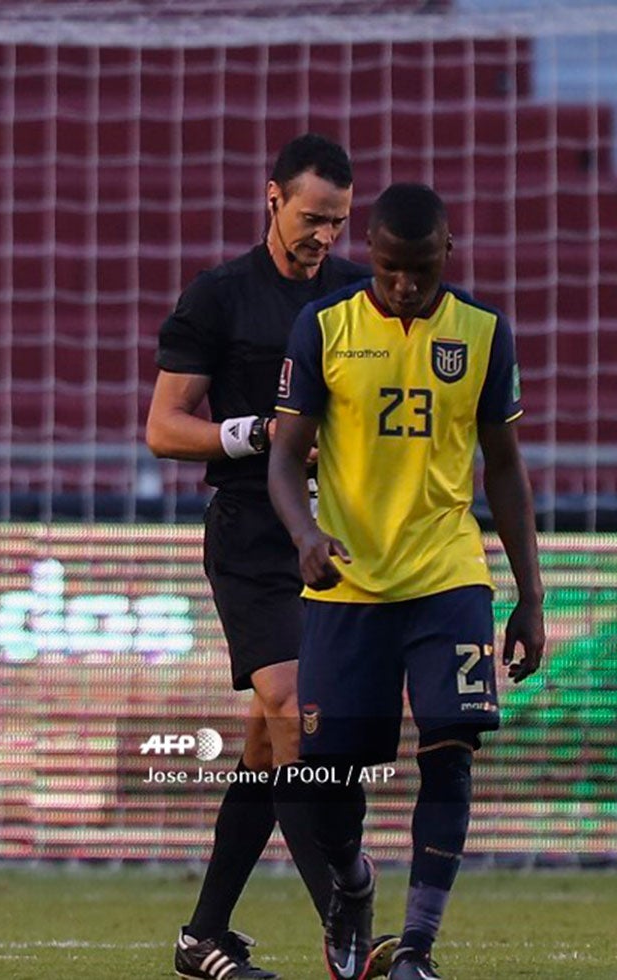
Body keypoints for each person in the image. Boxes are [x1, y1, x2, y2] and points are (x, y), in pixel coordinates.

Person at [269, 182, 545, 980]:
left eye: (419, 270)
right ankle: (353, 886)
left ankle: (417, 949)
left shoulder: (484, 333)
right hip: (349, 584)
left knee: (451, 752)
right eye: (389, 269)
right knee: (328, 780)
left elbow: (505, 467)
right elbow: (287, 455)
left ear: (447, 255)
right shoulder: (324, 326)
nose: (403, 285)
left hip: (447, 578)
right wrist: (304, 533)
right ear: (372, 257)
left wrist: (530, 595)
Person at [148, 134, 396, 979]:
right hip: (254, 531)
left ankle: (203, 934)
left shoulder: (360, 302)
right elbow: (163, 427)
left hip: (343, 536)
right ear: (272, 200)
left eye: (337, 221)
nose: (322, 234)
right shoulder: (219, 297)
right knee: (295, 710)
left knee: (273, 740)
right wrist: (256, 433)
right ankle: (345, 905)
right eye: (310, 216)